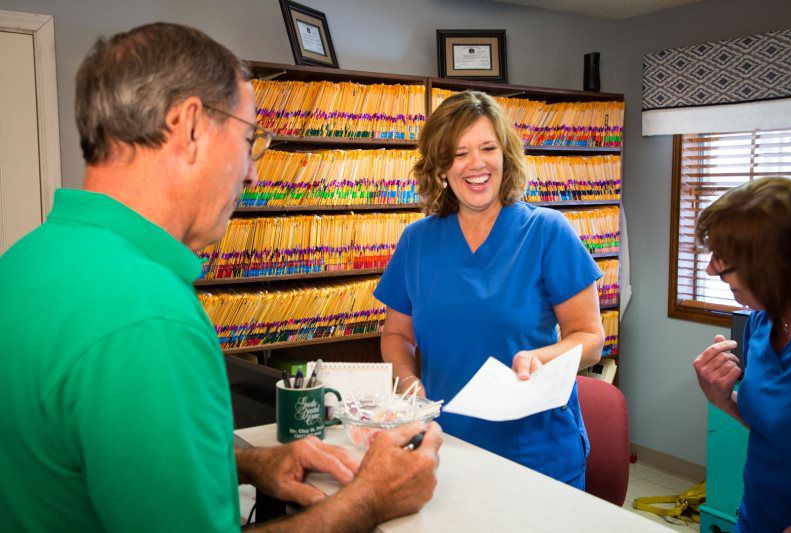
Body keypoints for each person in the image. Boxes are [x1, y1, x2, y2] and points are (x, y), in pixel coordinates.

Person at [0, 22, 442, 532]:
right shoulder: (149, 320)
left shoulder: (27, 261)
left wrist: (245, 462)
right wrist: (370, 498)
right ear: (190, 127)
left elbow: (81, 459)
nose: (253, 173)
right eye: (250, 138)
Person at [374, 90, 605, 488]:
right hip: (443, 445)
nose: (476, 164)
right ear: (439, 166)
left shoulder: (547, 232)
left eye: (487, 148)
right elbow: (397, 335)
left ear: (505, 156)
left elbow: (591, 338)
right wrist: (406, 381)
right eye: (459, 153)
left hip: (536, 453)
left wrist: (541, 358)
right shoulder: (416, 241)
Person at [692, 177, 791, 533]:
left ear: (773, 263)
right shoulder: (761, 322)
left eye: (723, 259)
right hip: (756, 515)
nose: (710, 269)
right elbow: (775, 427)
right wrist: (722, 399)